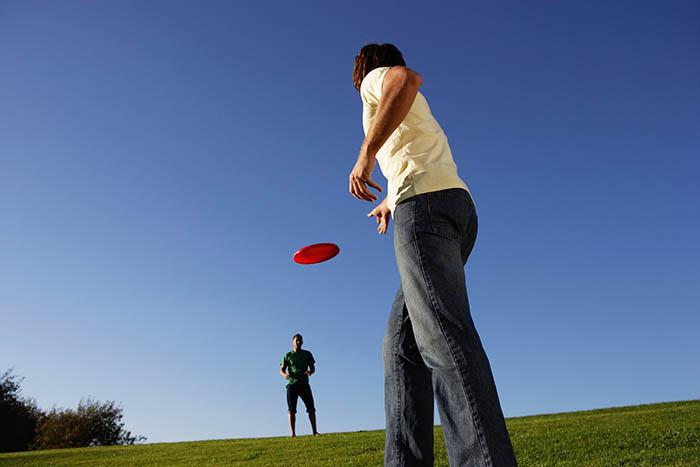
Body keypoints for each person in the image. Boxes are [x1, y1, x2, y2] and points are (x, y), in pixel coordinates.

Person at [349, 43, 518, 466]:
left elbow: (405, 79)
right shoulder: (409, 114)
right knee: (400, 345)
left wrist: (364, 156)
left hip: (425, 211)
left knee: (443, 339)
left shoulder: (380, 79)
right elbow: (413, 157)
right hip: (451, 209)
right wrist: (389, 201)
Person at [279, 333, 319, 437]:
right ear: (293, 342)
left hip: (304, 384)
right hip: (292, 385)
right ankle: (293, 434)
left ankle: (315, 432)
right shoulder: (288, 355)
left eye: (300, 340)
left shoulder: (307, 354)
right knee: (291, 410)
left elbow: (313, 367)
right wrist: (285, 375)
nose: (298, 342)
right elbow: (281, 369)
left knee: (311, 408)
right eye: (297, 340)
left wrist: (310, 372)